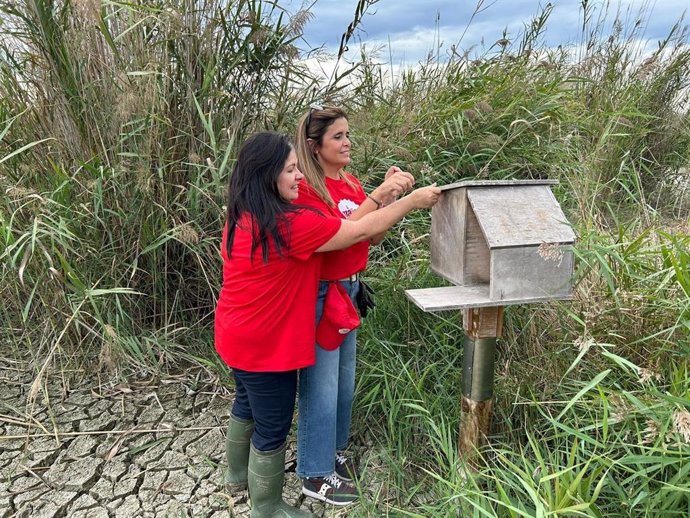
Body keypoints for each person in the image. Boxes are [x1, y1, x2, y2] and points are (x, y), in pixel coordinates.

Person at [216, 131, 440, 517]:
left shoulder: (243, 216)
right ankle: (266, 507)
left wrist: (381, 197)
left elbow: (355, 224)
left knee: (246, 405)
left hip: (235, 336)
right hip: (267, 346)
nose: (299, 177)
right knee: (272, 425)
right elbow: (360, 231)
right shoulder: (290, 225)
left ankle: (235, 477)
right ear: (268, 175)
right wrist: (410, 201)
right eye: (290, 170)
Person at [293, 105, 418, 506]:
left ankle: (335, 451)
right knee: (321, 385)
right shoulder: (308, 189)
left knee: (344, 381)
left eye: (348, 135)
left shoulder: (349, 183)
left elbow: (370, 237)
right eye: (338, 137)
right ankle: (314, 471)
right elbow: (340, 235)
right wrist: (381, 197)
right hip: (321, 292)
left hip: (349, 289)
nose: (347, 143)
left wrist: (386, 198)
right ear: (314, 147)